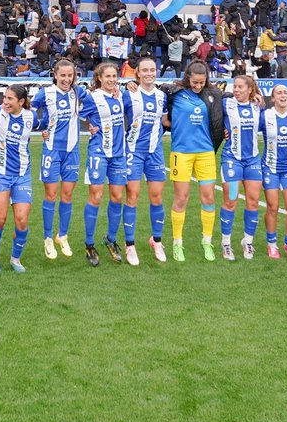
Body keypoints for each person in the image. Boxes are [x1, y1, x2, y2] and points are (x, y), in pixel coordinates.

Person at [160, 61, 224, 263]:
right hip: (181, 153)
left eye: (202, 83)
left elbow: (228, 100)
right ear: (188, 78)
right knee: (181, 198)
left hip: (205, 152)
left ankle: (207, 242)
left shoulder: (212, 95)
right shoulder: (174, 93)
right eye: (195, 82)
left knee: (208, 198)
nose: (198, 86)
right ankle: (177, 243)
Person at [0, 85, 42, 273]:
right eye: (4, 97)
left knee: (21, 221)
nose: (5, 101)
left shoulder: (31, 117)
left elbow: (46, 123)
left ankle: (15, 259)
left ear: (21, 102)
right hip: (0, 174)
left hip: (22, 175)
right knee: (0, 218)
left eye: (10, 99)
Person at [78, 62, 133, 266]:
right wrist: (89, 127)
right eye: (107, 76)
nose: (111, 79)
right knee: (96, 196)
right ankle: (89, 244)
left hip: (119, 154)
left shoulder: (121, 95)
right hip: (99, 153)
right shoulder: (92, 97)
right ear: (99, 78)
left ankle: (110, 240)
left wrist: (133, 85)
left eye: (114, 76)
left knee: (117, 197)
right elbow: (77, 113)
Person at [31, 59, 85, 259]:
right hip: (52, 151)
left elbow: (99, 98)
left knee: (67, 195)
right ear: (55, 75)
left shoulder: (78, 92)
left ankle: (62, 235)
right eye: (63, 75)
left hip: (72, 151)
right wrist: (41, 126)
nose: (66, 79)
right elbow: (28, 110)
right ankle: (47, 238)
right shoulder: (45, 93)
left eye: (70, 75)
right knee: (51, 195)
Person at [123, 57, 167, 264]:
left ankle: (156, 240)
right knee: (132, 197)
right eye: (145, 70)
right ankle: (129, 245)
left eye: (152, 69)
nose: (149, 73)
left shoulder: (162, 96)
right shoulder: (129, 94)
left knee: (157, 197)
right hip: (133, 152)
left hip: (155, 152)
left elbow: (166, 120)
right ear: (137, 73)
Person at [220, 75, 266, 262]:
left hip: (252, 161)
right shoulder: (226, 104)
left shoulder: (257, 107)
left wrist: (262, 101)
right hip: (232, 159)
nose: (237, 90)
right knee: (231, 200)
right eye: (235, 87)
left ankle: (248, 241)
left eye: (240, 87)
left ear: (250, 90)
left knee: (253, 201)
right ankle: (226, 243)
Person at [259, 84, 287, 260]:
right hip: (270, 167)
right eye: (279, 93)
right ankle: (272, 243)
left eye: (285, 92)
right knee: (273, 207)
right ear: (273, 98)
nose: (283, 95)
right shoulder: (265, 116)